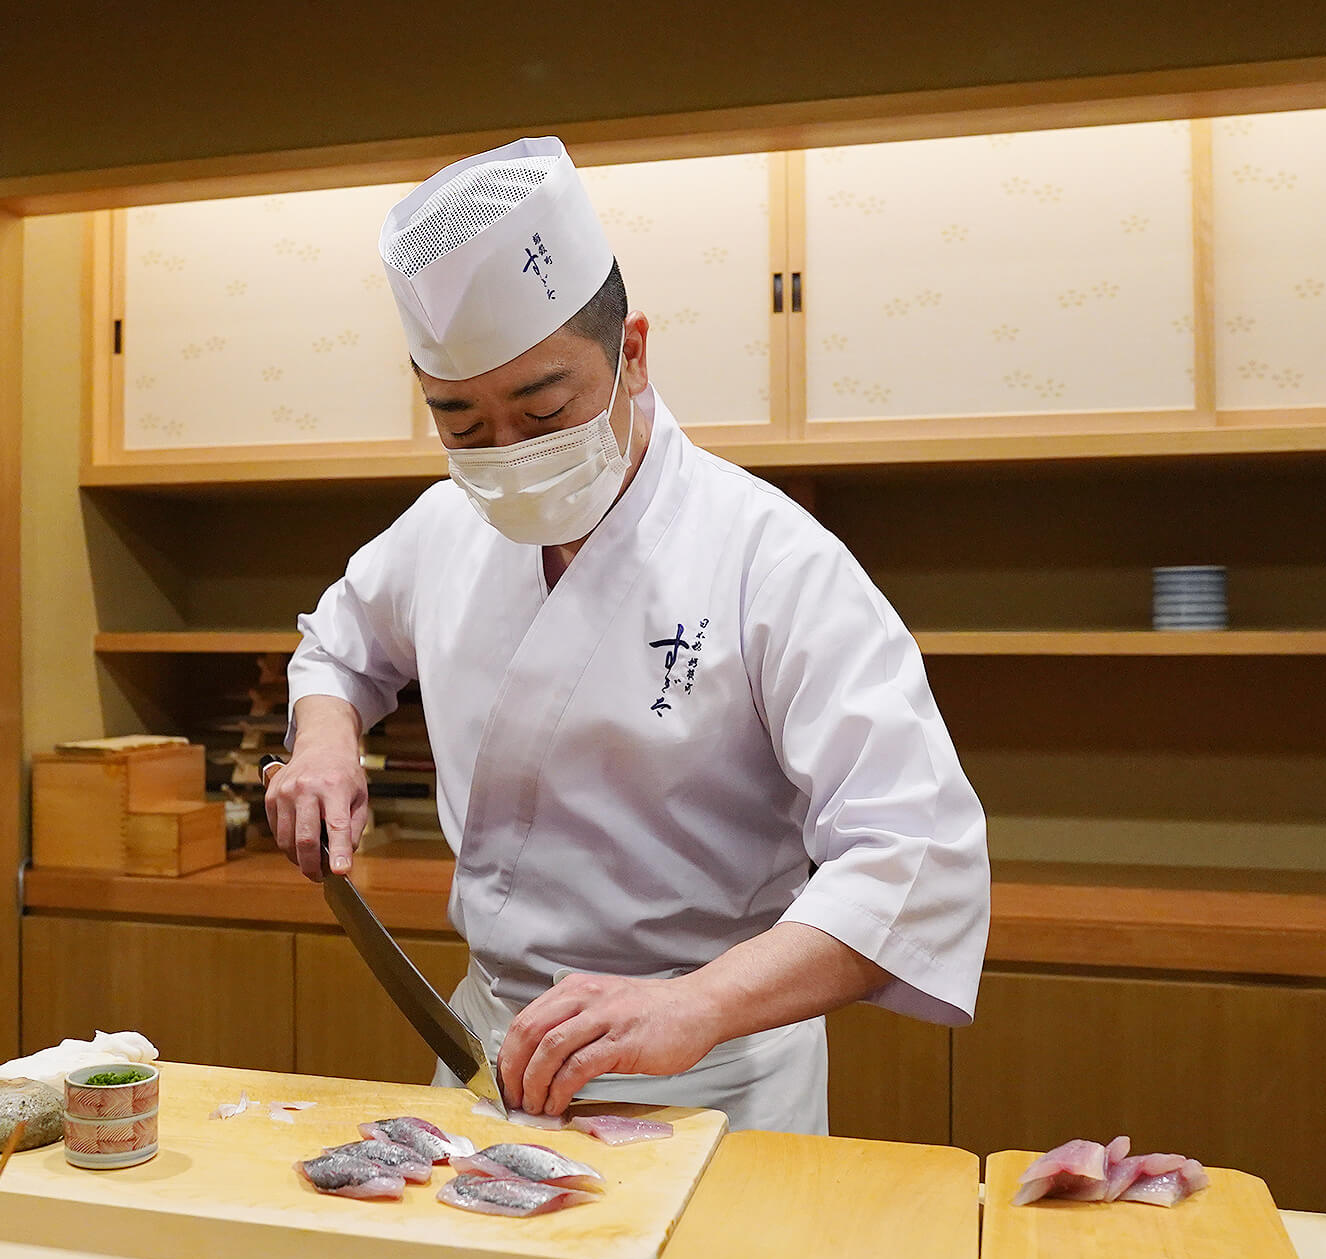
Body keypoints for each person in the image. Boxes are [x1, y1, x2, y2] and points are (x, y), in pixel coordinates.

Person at [265, 137, 990, 1132]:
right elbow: (339, 643)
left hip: (711, 1079)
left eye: (544, 407)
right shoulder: (446, 527)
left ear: (633, 353)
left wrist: (700, 1004)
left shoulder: (769, 559)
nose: (507, 457)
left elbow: (919, 851)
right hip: (489, 1058)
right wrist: (322, 739)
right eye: (463, 428)